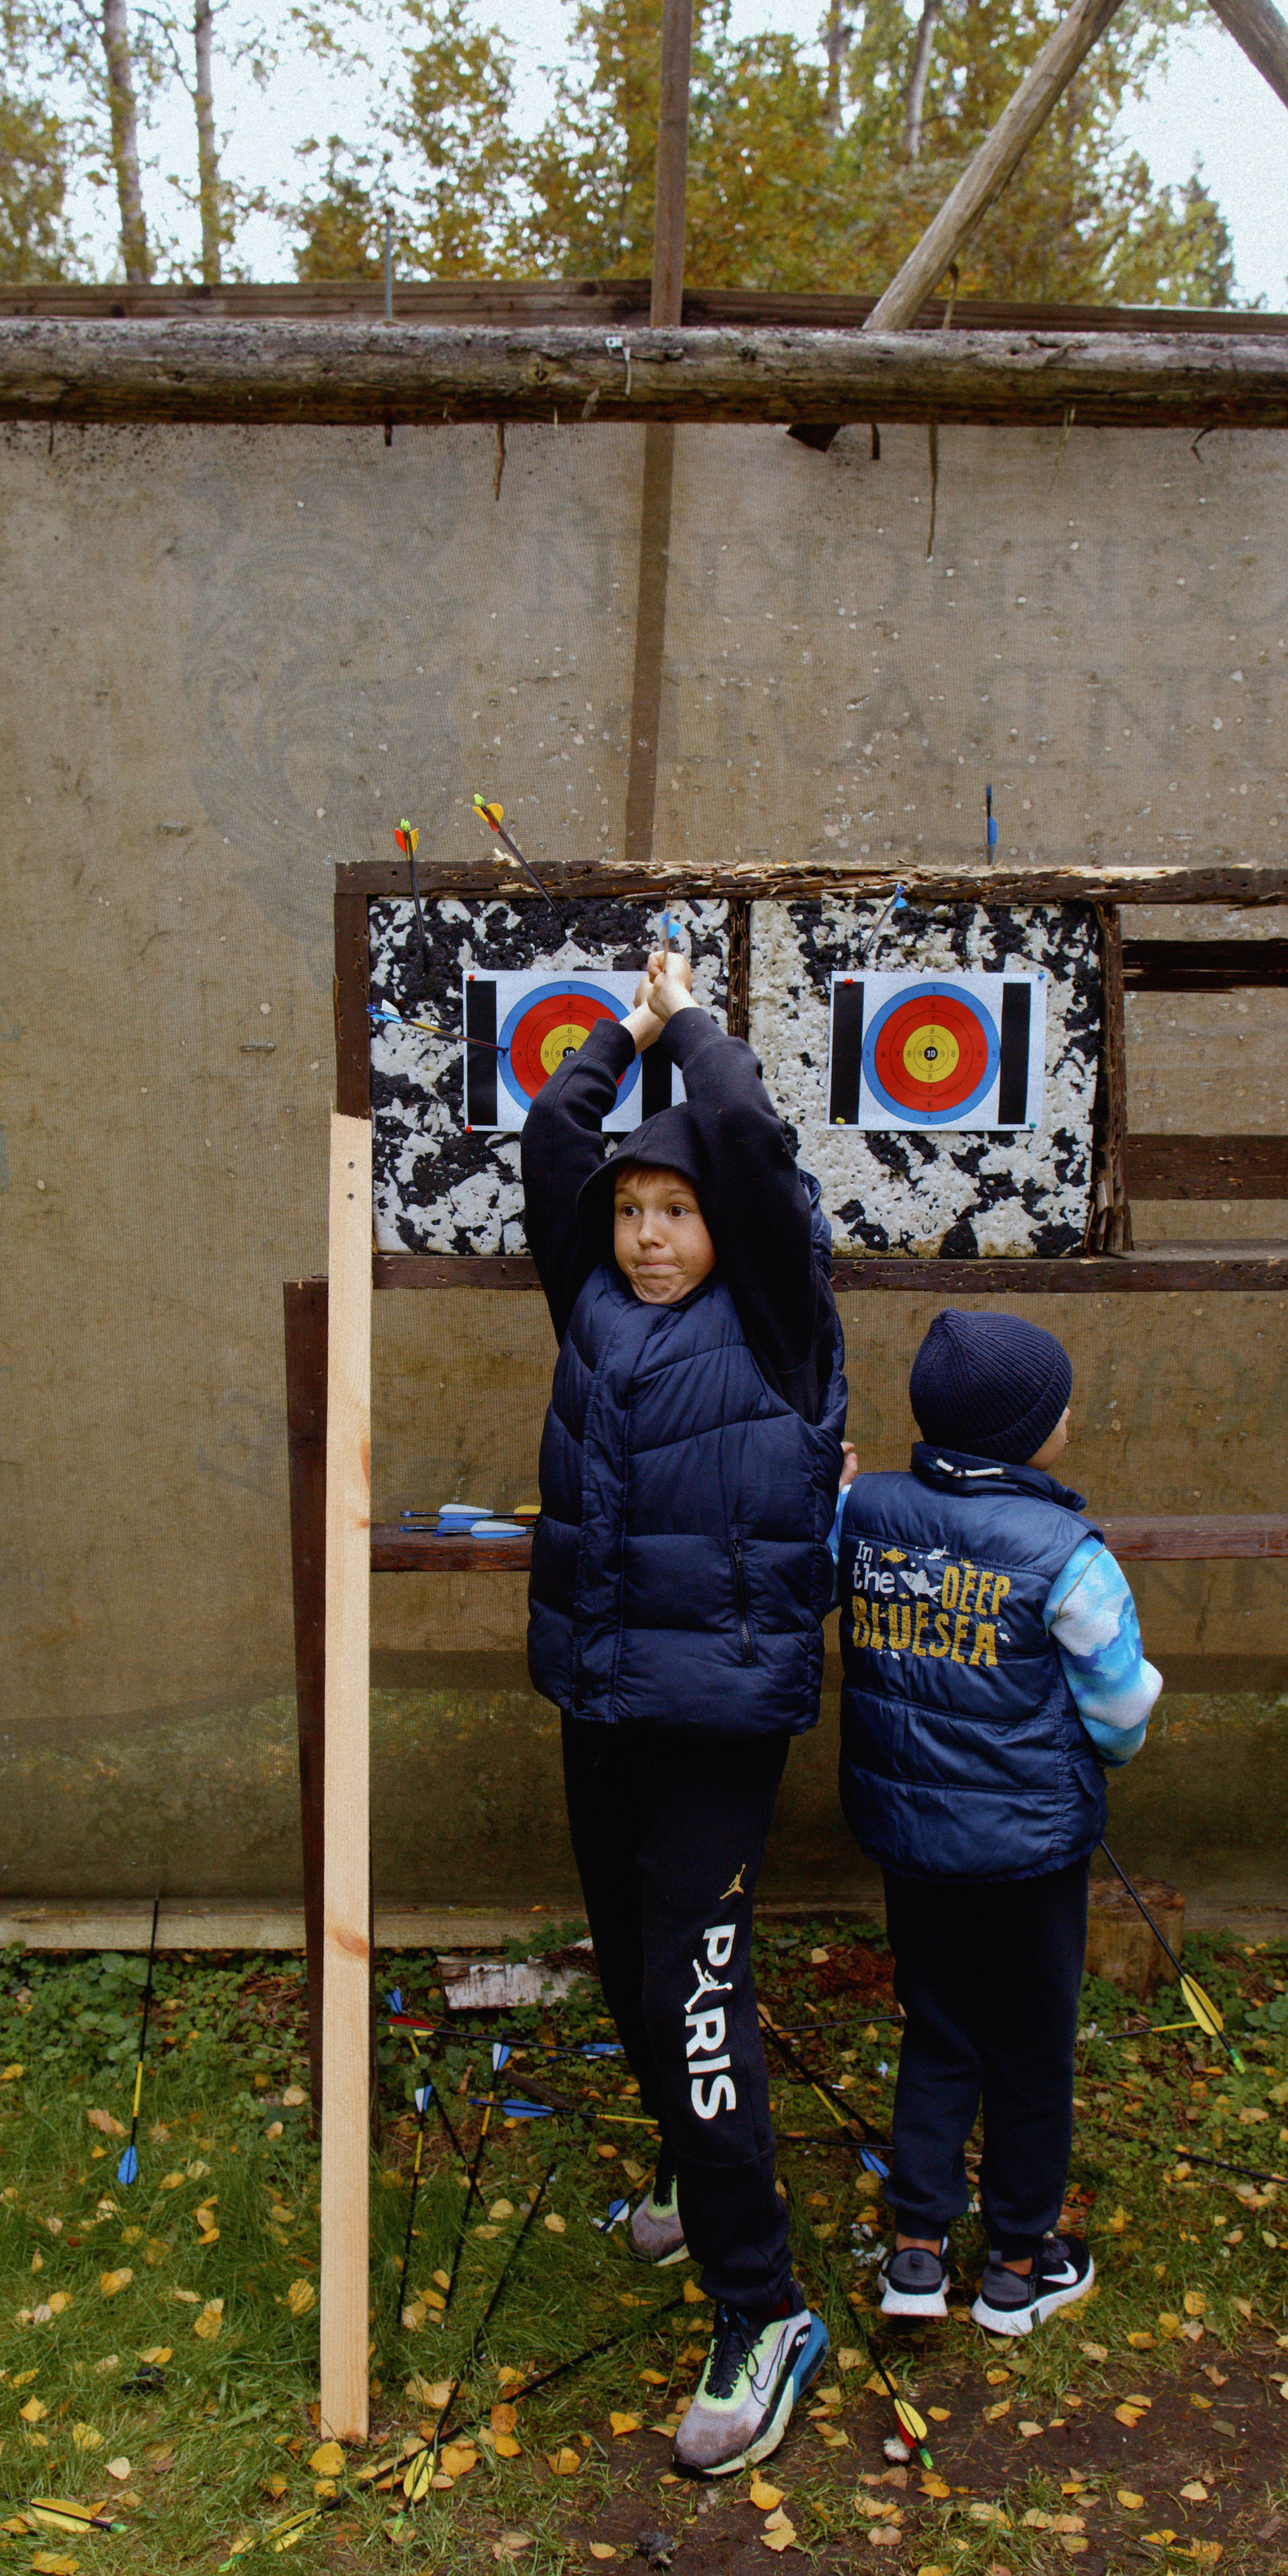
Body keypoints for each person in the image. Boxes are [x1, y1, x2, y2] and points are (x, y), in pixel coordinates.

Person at [520, 929, 848, 2472]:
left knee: (690, 1998)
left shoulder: (779, 1317)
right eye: (635, 1214)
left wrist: (688, 1024)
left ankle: (763, 2305)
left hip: (718, 1718)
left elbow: (751, 1144)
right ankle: (692, 2167)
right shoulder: (589, 1304)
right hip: (603, 1704)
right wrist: (610, 1042)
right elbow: (553, 1142)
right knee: (629, 1968)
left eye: (678, 1212)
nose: (651, 1237)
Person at [833, 1309, 1162, 2336]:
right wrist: (1097, 1762)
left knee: (938, 2028)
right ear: (1031, 1432)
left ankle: (917, 2251)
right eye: (1055, 1402)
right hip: (1029, 1852)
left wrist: (832, 1492)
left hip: (912, 1841)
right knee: (1030, 2045)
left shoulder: (866, 1514)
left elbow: (807, 1566)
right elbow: (1119, 1703)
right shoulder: (1066, 1552)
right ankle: (1021, 2260)